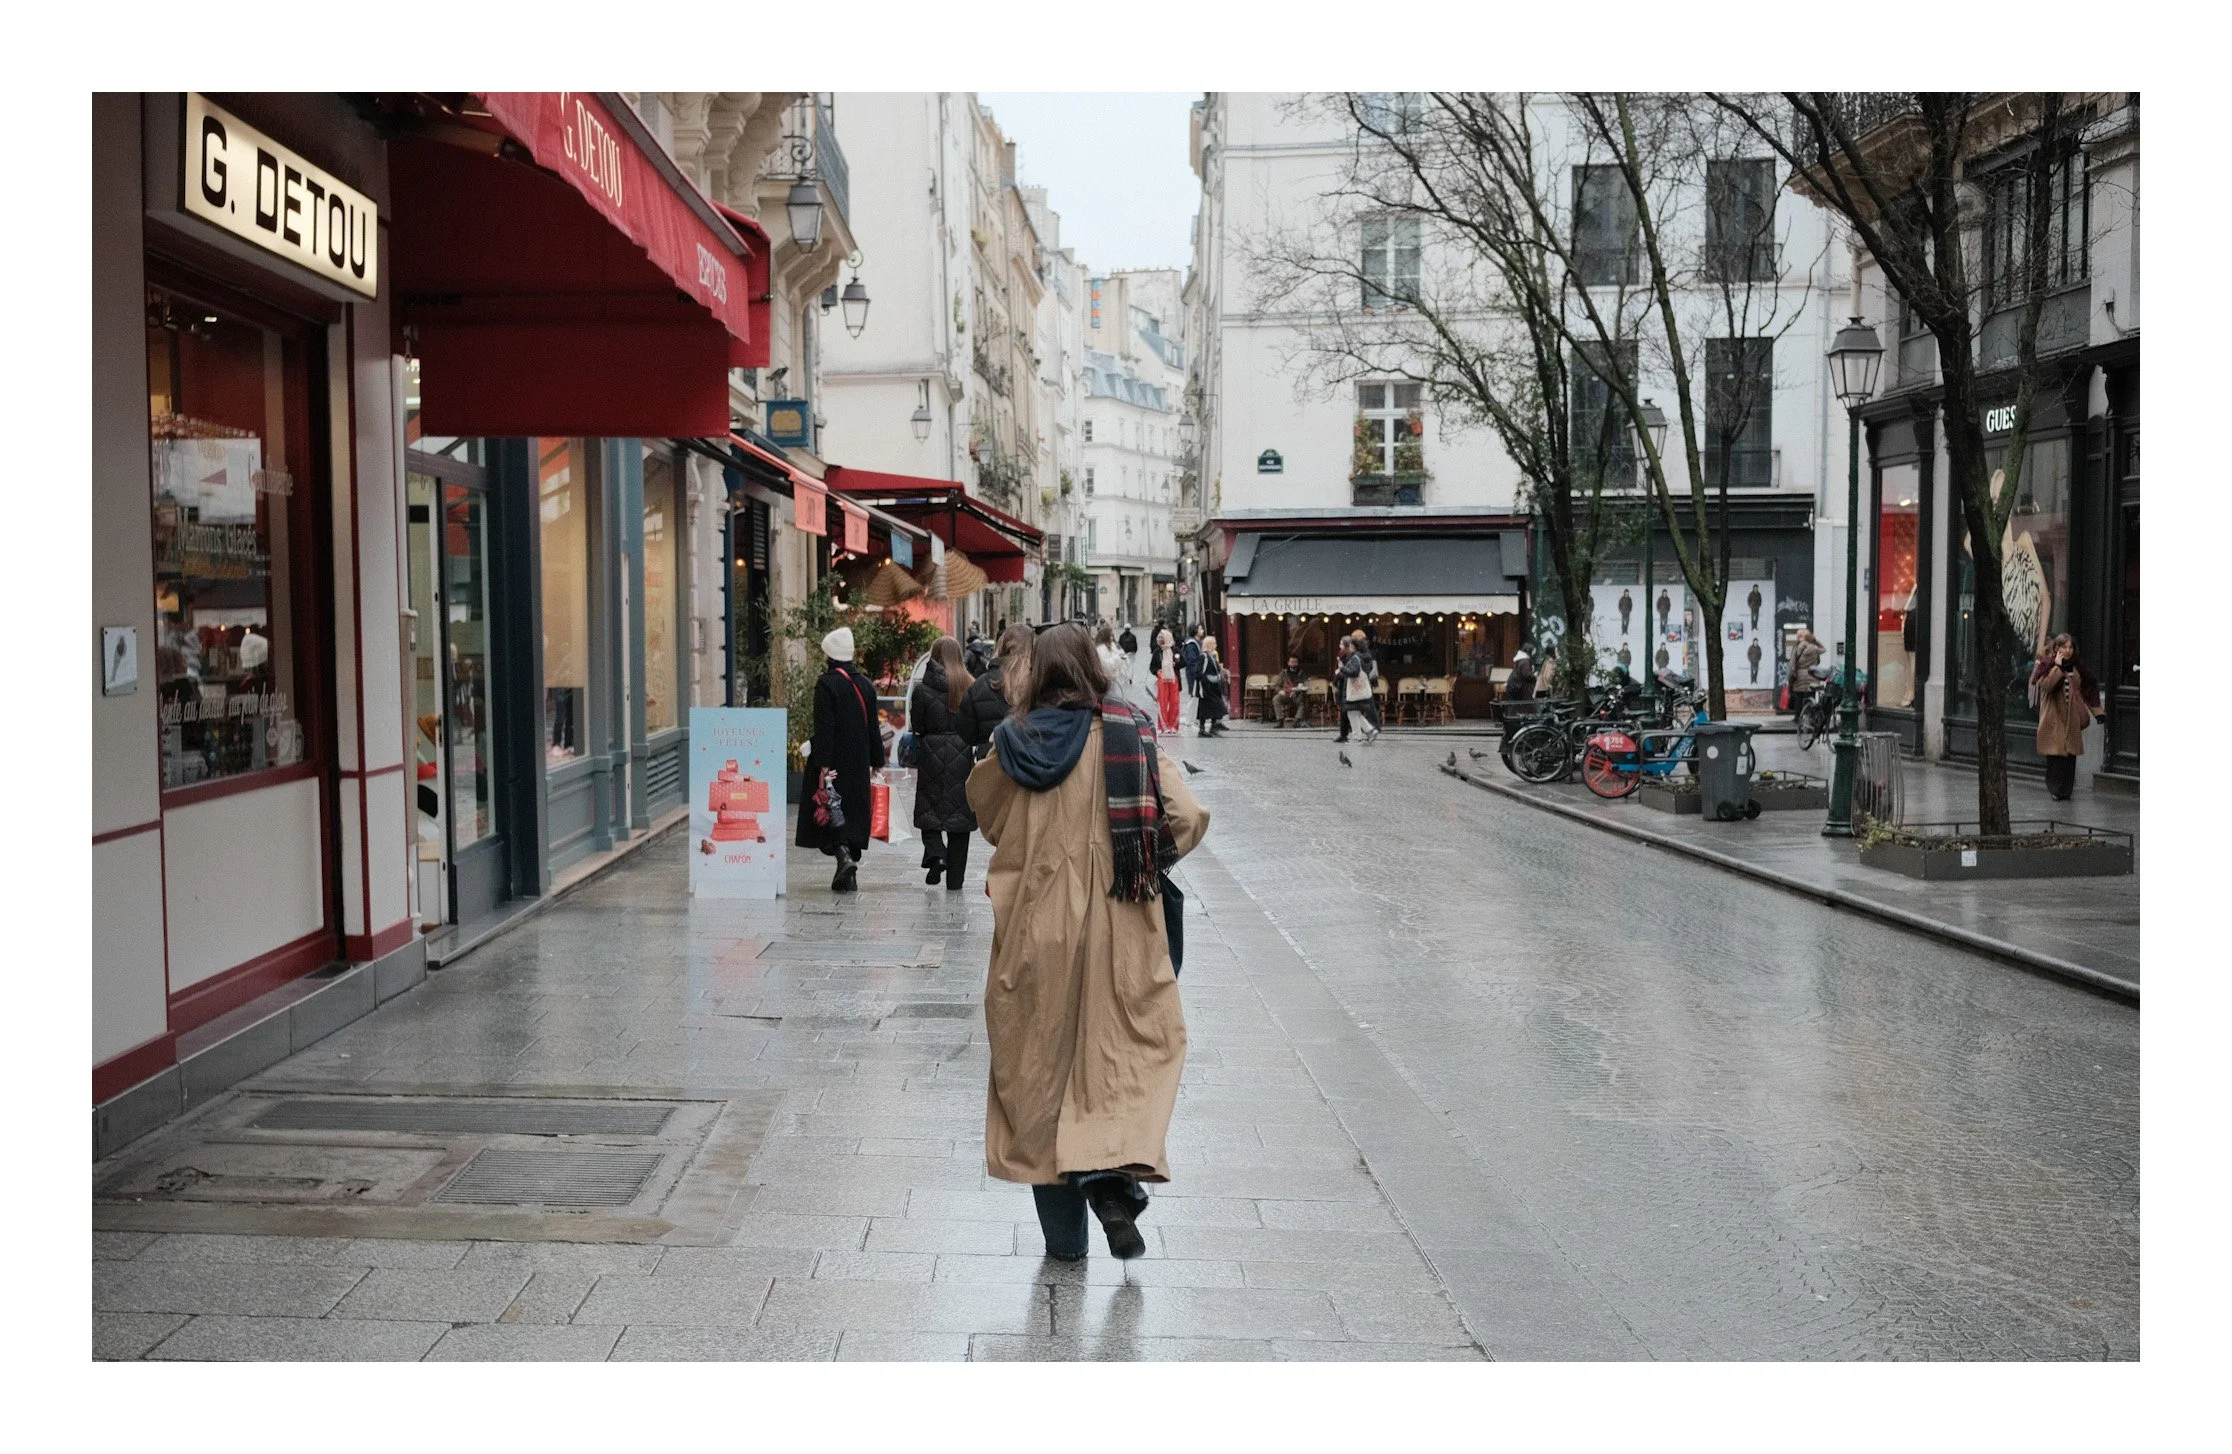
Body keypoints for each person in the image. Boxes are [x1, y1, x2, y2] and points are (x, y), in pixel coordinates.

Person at [965, 623, 1210, 1261]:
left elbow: (986, 814)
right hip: (1122, 926)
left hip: (1035, 934)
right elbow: (1186, 817)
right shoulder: (1132, 736)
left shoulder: (1012, 744)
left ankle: (1064, 1244)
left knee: (1039, 1077)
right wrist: (1139, 860)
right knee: (1126, 1056)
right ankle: (1109, 1177)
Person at [795, 626, 886, 893]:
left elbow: (825, 727)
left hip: (832, 761)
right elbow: (873, 727)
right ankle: (847, 869)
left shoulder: (826, 685)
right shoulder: (866, 685)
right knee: (852, 812)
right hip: (858, 761)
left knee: (829, 810)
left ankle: (844, 857)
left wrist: (822, 762)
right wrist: (877, 758)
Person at [910, 636, 978, 890]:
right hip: (962, 755)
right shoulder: (970, 686)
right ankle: (955, 881)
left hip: (931, 755)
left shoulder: (923, 689)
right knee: (960, 817)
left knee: (928, 811)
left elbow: (918, 725)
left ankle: (937, 853)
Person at [2029, 633, 2102, 801]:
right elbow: (2046, 686)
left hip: (2071, 717)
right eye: (2064, 647)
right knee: (2055, 757)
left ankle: (2066, 791)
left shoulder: (2077, 667)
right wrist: (2057, 667)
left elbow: (2086, 690)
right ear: (2056, 648)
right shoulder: (2047, 666)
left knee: (2070, 757)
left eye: (2070, 647)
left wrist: (2098, 712)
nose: (2068, 651)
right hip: (2053, 718)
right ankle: (2055, 789)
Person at [960, 623, 1033, 760]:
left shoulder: (980, 684)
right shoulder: (1038, 681)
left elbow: (966, 731)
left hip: (990, 761)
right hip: (1030, 763)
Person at [1339, 629, 1381, 744]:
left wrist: (1341, 668)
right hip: (1363, 689)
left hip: (1355, 690)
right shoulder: (1365, 655)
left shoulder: (1355, 657)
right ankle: (1370, 730)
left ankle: (1357, 737)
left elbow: (1354, 672)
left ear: (1353, 646)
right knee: (1356, 713)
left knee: (1352, 712)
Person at [1195, 637, 1231, 737]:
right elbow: (1198, 673)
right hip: (1206, 688)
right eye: (1214, 644)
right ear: (1209, 645)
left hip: (1213, 687)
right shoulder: (1204, 657)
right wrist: (1208, 680)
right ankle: (1204, 729)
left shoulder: (1212, 656)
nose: (1215, 645)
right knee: (1206, 708)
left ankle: (1213, 725)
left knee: (1213, 706)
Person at [1787, 627, 1825, 717]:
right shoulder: (1815, 648)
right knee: (1810, 697)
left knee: (1798, 697)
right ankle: (1810, 716)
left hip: (1800, 676)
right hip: (1812, 675)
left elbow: (1792, 663)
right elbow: (1823, 650)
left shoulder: (1797, 647)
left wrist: (1791, 676)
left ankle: (1797, 718)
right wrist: (1815, 641)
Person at [1151, 625, 1182, 736]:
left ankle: (1173, 725)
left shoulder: (1175, 650)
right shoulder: (1156, 652)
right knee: (1162, 703)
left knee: (1174, 702)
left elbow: (1184, 662)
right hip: (1162, 680)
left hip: (1174, 679)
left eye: (1162, 637)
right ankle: (1164, 726)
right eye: (1159, 638)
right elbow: (1152, 667)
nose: (1159, 639)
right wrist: (1157, 672)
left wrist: (1176, 664)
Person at [1271, 654, 1308, 727]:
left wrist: (1296, 691)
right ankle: (1280, 720)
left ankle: (1296, 720)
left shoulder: (1302, 673)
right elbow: (1277, 685)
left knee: (1303, 701)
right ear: (1288, 663)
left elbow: (1305, 685)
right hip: (1286, 694)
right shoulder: (1283, 673)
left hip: (1297, 695)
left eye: (1295, 662)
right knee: (1276, 699)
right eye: (1292, 662)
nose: (1294, 664)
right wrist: (1280, 691)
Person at [1180, 627, 1205, 700]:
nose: (1203, 631)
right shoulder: (1191, 645)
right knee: (1195, 697)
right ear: (1195, 631)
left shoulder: (1197, 642)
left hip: (1196, 674)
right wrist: (1198, 675)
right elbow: (1192, 662)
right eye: (1201, 629)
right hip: (1194, 675)